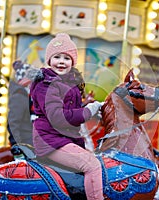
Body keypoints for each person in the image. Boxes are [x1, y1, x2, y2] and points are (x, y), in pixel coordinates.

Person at [28, 33, 104, 200]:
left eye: (66, 58)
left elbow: (70, 110)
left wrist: (89, 108)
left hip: (63, 138)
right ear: (49, 60)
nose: (61, 61)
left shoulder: (68, 83)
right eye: (57, 57)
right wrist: (88, 111)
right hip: (50, 140)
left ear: (73, 62)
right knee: (92, 165)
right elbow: (57, 117)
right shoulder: (45, 85)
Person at [7, 61, 36, 147]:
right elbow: (13, 123)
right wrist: (18, 144)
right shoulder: (20, 96)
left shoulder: (29, 96)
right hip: (26, 139)